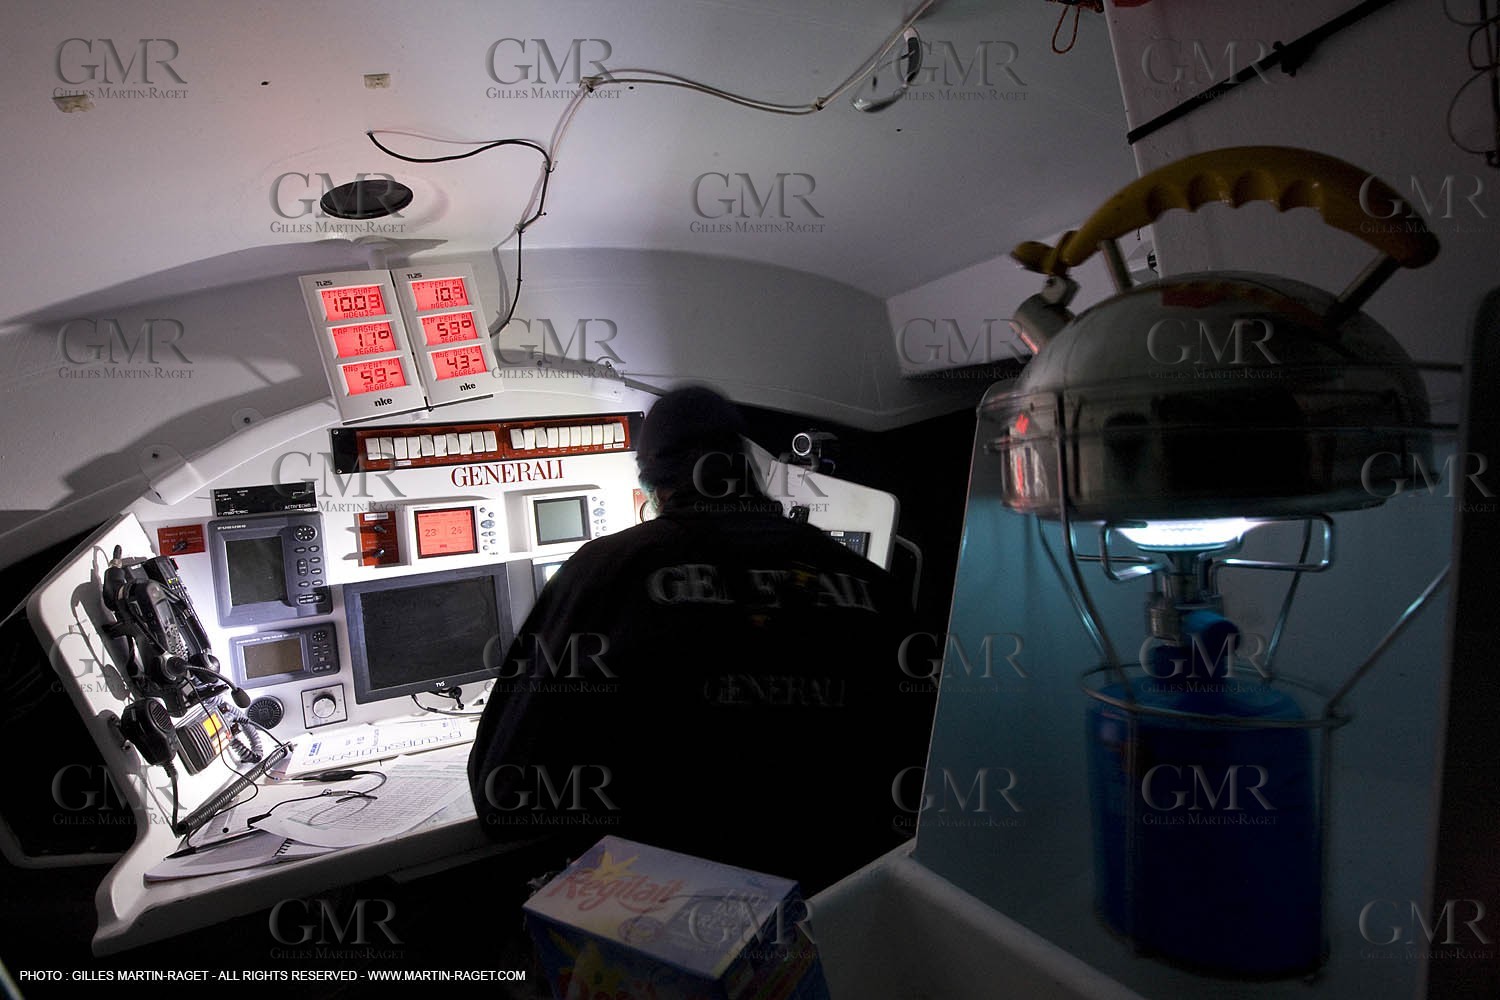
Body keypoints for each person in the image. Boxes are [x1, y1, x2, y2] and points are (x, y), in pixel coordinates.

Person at [467, 385, 934, 895]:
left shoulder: (602, 573)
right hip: (837, 911)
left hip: (663, 924)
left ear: (651, 485)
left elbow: (503, 793)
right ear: (748, 467)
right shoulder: (870, 584)